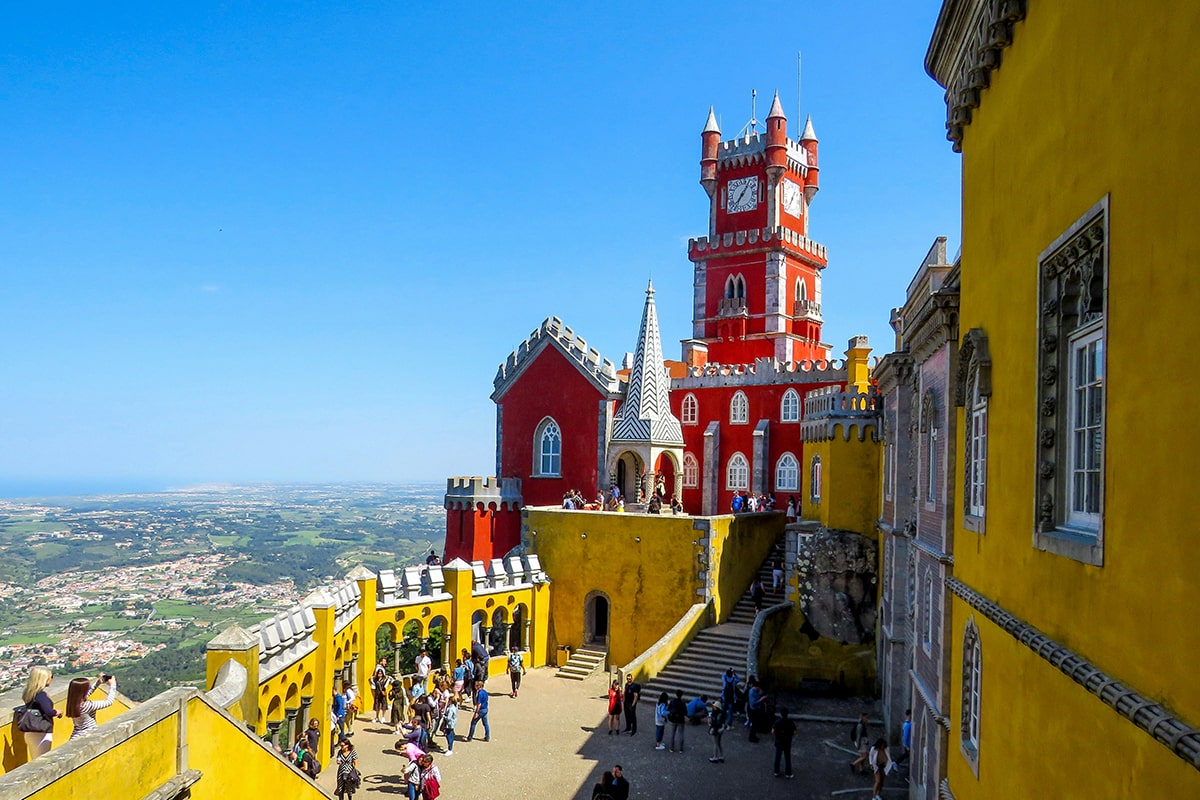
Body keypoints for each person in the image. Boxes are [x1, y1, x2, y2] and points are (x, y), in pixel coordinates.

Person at [20, 666, 60, 759]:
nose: (51, 679)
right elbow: (49, 712)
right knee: (42, 760)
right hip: (41, 732)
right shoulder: (40, 695)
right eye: (50, 677)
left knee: (35, 758)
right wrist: (57, 712)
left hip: (30, 731)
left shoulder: (29, 692)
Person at [66, 675, 116, 739]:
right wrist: (113, 685)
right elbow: (109, 702)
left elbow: (86, 694)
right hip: (87, 736)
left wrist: (98, 683)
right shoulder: (88, 705)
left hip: (76, 735)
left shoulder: (73, 703)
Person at [772, 707, 797, 778]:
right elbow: (794, 732)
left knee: (777, 757)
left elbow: (773, 731)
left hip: (779, 741)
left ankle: (776, 771)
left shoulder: (777, 722)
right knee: (787, 758)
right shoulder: (790, 722)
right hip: (787, 742)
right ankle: (788, 773)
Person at [707, 699, 726, 763]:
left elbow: (714, 723)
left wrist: (711, 725)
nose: (713, 707)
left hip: (716, 729)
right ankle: (721, 756)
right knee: (719, 743)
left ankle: (715, 757)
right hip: (721, 729)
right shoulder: (721, 713)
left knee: (715, 743)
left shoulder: (715, 714)